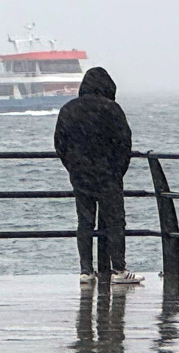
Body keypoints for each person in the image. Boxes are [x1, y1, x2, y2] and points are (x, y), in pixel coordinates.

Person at [54, 67, 144, 285]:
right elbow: (124, 143)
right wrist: (116, 170)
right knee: (115, 222)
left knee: (85, 222)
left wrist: (74, 166)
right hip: (108, 176)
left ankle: (86, 270)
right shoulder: (112, 109)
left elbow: (60, 143)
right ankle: (119, 270)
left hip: (80, 176)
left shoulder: (69, 109)